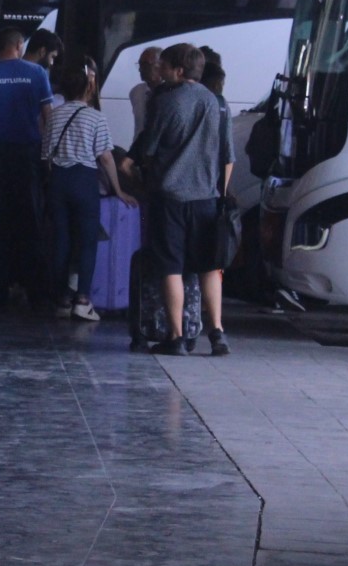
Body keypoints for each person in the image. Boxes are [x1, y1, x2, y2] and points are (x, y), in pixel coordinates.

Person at [133, 43, 231, 356]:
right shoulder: (214, 102)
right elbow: (223, 153)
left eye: (163, 66)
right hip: (206, 197)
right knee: (208, 266)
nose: (159, 71)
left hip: (170, 197)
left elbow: (148, 150)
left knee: (170, 267)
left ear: (178, 69)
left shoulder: (166, 102)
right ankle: (217, 332)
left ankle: (175, 337)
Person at [0, 28, 54, 309]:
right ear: (19, 45)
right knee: (30, 222)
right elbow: (48, 118)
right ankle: (35, 292)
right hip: (27, 156)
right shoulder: (37, 74)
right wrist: (47, 155)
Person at [43, 62, 131, 322]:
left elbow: (46, 154)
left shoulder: (55, 115)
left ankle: (61, 298)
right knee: (87, 241)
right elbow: (105, 157)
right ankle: (82, 300)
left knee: (60, 240)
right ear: (88, 88)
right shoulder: (96, 117)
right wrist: (118, 189)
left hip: (58, 180)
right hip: (84, 181)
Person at [127, 47, 163, 139]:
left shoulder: (172, 93)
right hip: (138, 150)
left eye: (145, 64)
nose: (140, 69)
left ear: (161, 65)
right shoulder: (136, 92)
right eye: (140, 65)